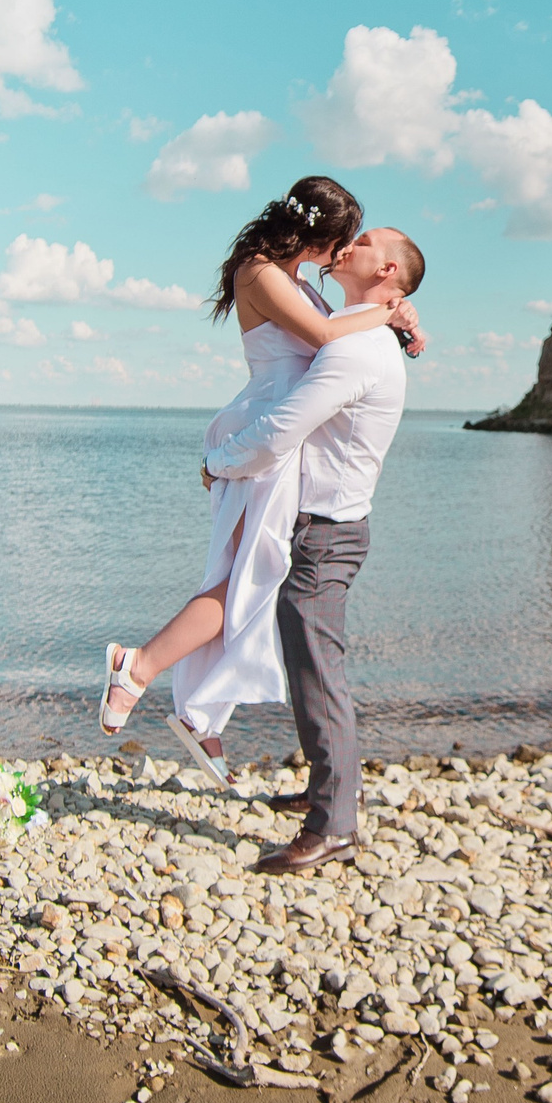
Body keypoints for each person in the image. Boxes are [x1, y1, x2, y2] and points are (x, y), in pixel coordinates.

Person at [98, 180, 420, 785]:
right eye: (343, 239)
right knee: (247, 577)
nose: (343, 251)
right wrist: (389, 313)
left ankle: (195, 709)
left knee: (249, 579)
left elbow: (339, 329)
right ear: (317, 231)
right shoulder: (261, 271)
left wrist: (399, 315)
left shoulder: (296, 280)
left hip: (280, 441)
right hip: (263, 433)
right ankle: (141, 669)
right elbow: (325, 337)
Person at [201, 226, 425, 875]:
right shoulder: (358, 332)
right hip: (327, 527)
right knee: (310, 666)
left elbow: (281, 428)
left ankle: (334, 826)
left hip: (325, 532)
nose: (348, 243)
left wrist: (217, 462)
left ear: (386, 270)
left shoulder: (355, 351)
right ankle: (330, 790)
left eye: (364, 240)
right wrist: (403, 318)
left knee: (319, 673)